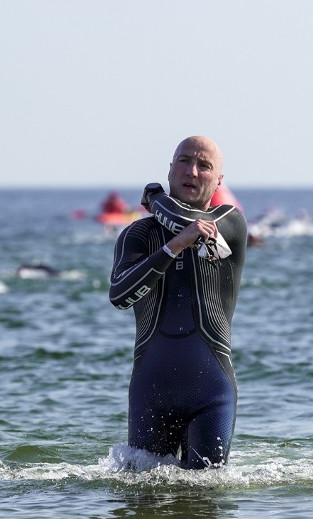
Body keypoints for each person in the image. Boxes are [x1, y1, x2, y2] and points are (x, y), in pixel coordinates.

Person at [109, 136, 247, 469]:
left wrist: (154, 197)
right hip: (150, 392)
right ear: (170, 169)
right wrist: (171, 249)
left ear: (218, 181)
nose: (192, 171)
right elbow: (119, 296)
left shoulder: (229, 223)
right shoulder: (138, 235)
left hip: (211, 392)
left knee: (205, 499)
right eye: (184, 161)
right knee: (144, 503)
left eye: (205, 166)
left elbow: (191, 224)